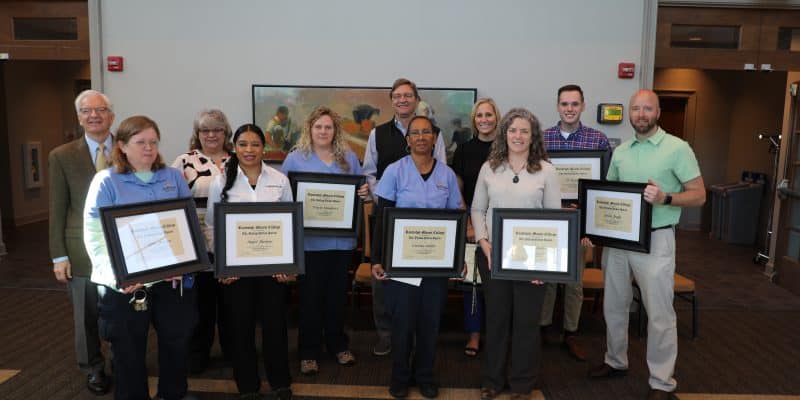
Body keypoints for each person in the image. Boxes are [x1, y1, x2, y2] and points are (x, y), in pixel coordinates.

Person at [587, 90, 706, 400]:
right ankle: (615, 361)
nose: (641, 114)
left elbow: (699, 194)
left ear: (658, 113)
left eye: (647, 109)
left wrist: (666, 197)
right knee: (614, 305)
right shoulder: (622, 151)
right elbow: (608, 195)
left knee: (659, 312)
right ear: (629, 113)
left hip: (656, 238)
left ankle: (661, 381)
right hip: (618, 240)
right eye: (636, 109)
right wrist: (593, 228)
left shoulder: (678, 149)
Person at [83, 115, 198, 400]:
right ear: (121, 146)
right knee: (128, 350)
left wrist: (185, 265)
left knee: (176, 342)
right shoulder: (106, 182)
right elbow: (95, 236)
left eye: (153, 142)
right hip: (127, 285)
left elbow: (188, 224)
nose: (149, 148)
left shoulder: (172, 177)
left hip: (171, 281)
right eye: (141, 142)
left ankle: (173, 394)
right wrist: (116, 277)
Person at [370, 115, 463, 399]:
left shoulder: (446, 175)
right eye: (415, 133)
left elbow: (457, 218)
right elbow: (381, 218)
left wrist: (459, 258)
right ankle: (400, 377)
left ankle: (425, 376)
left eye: (426, 132)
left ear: (434, 138)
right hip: (401, 264)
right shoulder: (394, 172)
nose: (421, 137)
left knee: (429, 322)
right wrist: (377, 259)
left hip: (436, 265)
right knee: (403, 322)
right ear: (407, 140)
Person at [471, 108, 561, 400]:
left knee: (525, 324)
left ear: (533, 136)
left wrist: (543, 266)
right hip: (493, 257)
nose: (518, 136)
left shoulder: (546, 170)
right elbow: (477, 209)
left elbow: (555, 219)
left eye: (524, 131)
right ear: (504, 134)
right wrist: (484, 244)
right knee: (496, 321)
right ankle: (493, 381)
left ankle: (522, 384)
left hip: (531, 261)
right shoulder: (490, 168)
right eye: (512, 130)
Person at [205, 124, 294, 400]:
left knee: (275, 326)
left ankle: (280, 381)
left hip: (273, 271)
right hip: (236, 272)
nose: (249, 150)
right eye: (243, 144)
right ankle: (247, 386)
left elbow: (290, 225)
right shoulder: (221, 182)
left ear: (263, 148)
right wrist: (222, 265)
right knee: (239, 329)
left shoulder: (279, 180)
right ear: (235, 147)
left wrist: (288, 265)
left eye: (255, 144)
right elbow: (211, 226)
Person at [280, 106, 369, 376]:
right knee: (309, 299)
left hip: (341, 244)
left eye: (328, 127)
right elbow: (284, 199)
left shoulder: (348, 158)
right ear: (310, 129)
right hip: (309, 243)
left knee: (335, 299)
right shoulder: (295, 160)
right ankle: (308, 351)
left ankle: (338, 345)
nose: (323, 131)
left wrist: (364, 191)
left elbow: (359, 191)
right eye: (318, 126)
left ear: (335, 131)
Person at [362, 78, 447, 356]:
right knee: (384, 281)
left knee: (421, 284)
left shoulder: (435, 132)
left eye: (408, 95)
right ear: (391, 100)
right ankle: (387, 334)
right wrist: (386, 199)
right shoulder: (378, 133)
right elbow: (369, 172)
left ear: (416, 98)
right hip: (388, 215)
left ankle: (418, 336)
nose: (402, 100)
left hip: (427, 224)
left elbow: (441, 171)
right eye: (397, 96)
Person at [48, 89, 113, 395]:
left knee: (122, 312)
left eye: (100, 110)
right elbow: (57, 208)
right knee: (85, 316)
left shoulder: (128, 150)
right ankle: (93, 369)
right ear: (79, 118)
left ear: (111, 115)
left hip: (124, 249)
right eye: (87, 111)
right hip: (81, 250)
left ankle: (123, 360)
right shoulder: (61, 156)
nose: (94, 116)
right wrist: (58, 256)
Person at [540, 84, 611, 361]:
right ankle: (543, 328)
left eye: (574, 104)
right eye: (564, 104)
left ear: (582, 105)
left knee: (574, 281)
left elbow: (604, 185)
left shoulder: (598, 140)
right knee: (545, 277)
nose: (569, 109)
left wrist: (591, 221)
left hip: (580, 222)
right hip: (550, 219)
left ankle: (571, 332)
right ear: (557, 106)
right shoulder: (543, 139)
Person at [171, 109, 233, 373]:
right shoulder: (184, 162)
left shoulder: (239, 158)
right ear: (197, 134)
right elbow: (173, 202)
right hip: (197, 240)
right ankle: (199, 353)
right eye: (205, 130)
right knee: (202, 304)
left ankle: (234, 351)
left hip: (232, 240)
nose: (211, 135)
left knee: (231, 304)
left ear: (225, 133)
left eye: (217, 129)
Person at [450, 98, 501, 358]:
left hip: (502, 226)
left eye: (489, 115)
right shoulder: (463, 151)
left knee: (498, 284)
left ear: (497, 118)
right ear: (474, 120)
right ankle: (473, 334)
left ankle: (496, 335)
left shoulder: (507, 150)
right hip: (472, 224)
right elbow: (458, 192)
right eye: (479, 115)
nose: (484, 119)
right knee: (473, 284)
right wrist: (470, 222)